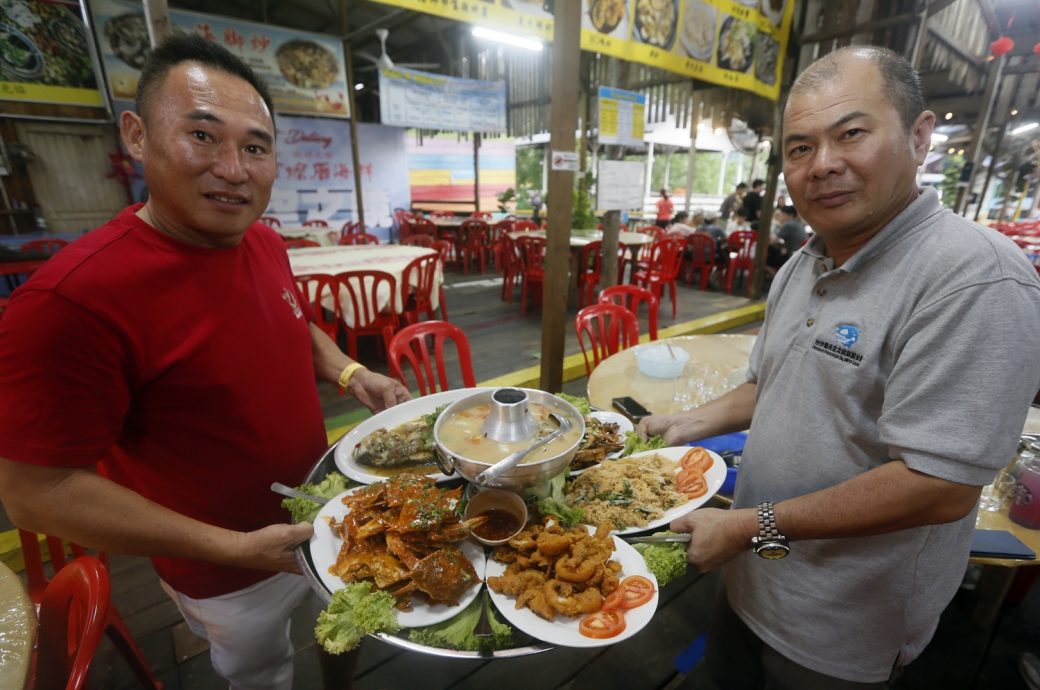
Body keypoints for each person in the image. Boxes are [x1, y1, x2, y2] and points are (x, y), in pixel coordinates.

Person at [0, 34, 410, 690]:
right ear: (136, 136)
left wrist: (350, 372)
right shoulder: (70, 301)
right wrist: (232, 547)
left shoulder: (263, 242)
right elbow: (34, 493)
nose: (234, 169)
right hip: (224, 570)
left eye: (255, 147)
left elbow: (292, 323)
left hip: (327, 513)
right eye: (202, 136)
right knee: (258, 673)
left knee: (345, 628)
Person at [640, 45, 1040, 688]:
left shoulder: (975, 280)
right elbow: (772, 383)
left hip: (843, 622)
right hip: (750, 573)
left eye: (850, 134)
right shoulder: (804, 264)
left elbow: (938, 485)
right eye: (800, 148)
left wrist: (750, 525)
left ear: (919, 137)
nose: (823, 164)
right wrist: (685, 423)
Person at [766, 204, 807, 274]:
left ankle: (775, 277)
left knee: (764, 260)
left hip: (791, 256)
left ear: (790, 215)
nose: (780, 217)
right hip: (799, 254)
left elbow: (772, 241)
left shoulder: (788, 224)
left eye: (782, 215)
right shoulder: (799, 223)